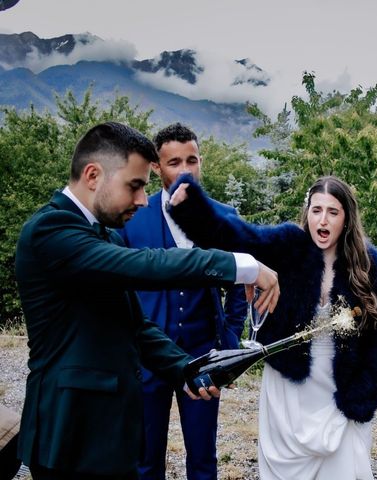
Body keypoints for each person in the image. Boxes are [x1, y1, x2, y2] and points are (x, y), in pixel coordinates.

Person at [14, 122, 279, 480]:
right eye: (134, 185)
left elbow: (134, 324)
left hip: (114, 433)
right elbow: (147, 264)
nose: (142, 200)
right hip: (72, 432)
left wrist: (185, 370)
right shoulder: (52, 230)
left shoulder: (105, 234)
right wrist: (240, 264)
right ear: (93, 175)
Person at [168, 174, 377, 480]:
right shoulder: (289, 246)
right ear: (308, 213)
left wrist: (363, 398)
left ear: (347, 218)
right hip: (289, 388)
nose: (323, 220)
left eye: (333, 212)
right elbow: (239, 237)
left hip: (342, 389)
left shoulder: (367, 265)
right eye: (316, 210)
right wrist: (192, 208)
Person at [118, 123, 247, 480]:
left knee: (203, 457)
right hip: (146, 357)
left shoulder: (225, 216)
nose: (185, 170)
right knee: (145, 459)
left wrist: (231, 336)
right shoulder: (132, 217)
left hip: (203, 354)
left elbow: (240, 284)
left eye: (193, 160)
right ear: (157, 168)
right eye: (174, 162)